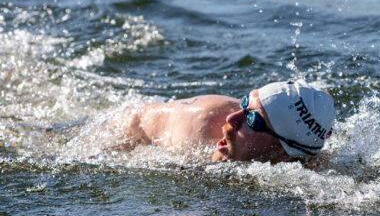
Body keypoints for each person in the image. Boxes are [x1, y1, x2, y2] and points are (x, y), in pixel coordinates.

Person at [104, 79, 336, 163]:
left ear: (284, 152)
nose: (232, 118)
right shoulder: (199, 133)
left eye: (253, 119)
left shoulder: (306, 154)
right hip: (119, 129)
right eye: (245, 103)